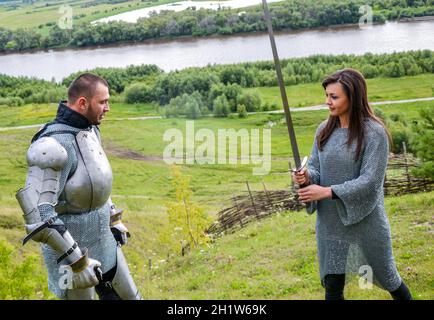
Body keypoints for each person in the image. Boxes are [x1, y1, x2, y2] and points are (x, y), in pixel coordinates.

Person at [16, 73, 142, 300]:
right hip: (68, 260)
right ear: (82, 103)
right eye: (103, 102)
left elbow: (96, 181)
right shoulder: (51, 147)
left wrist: (114, 219)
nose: (108, 108)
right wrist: (77, 261)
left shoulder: (91, 130)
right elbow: (38, 217)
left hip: (104, 240)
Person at [292, 68, 412, 300]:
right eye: (326, 95)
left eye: (334, 96)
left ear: (353, 96)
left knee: (390, 280)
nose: (327, 101)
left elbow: (370, 182)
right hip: (330, 223)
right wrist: (306, 177)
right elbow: (316, 169)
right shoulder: (324, 130)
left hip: (366, 222)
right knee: (333, 286)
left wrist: (326, 191)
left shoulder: (374, 133)